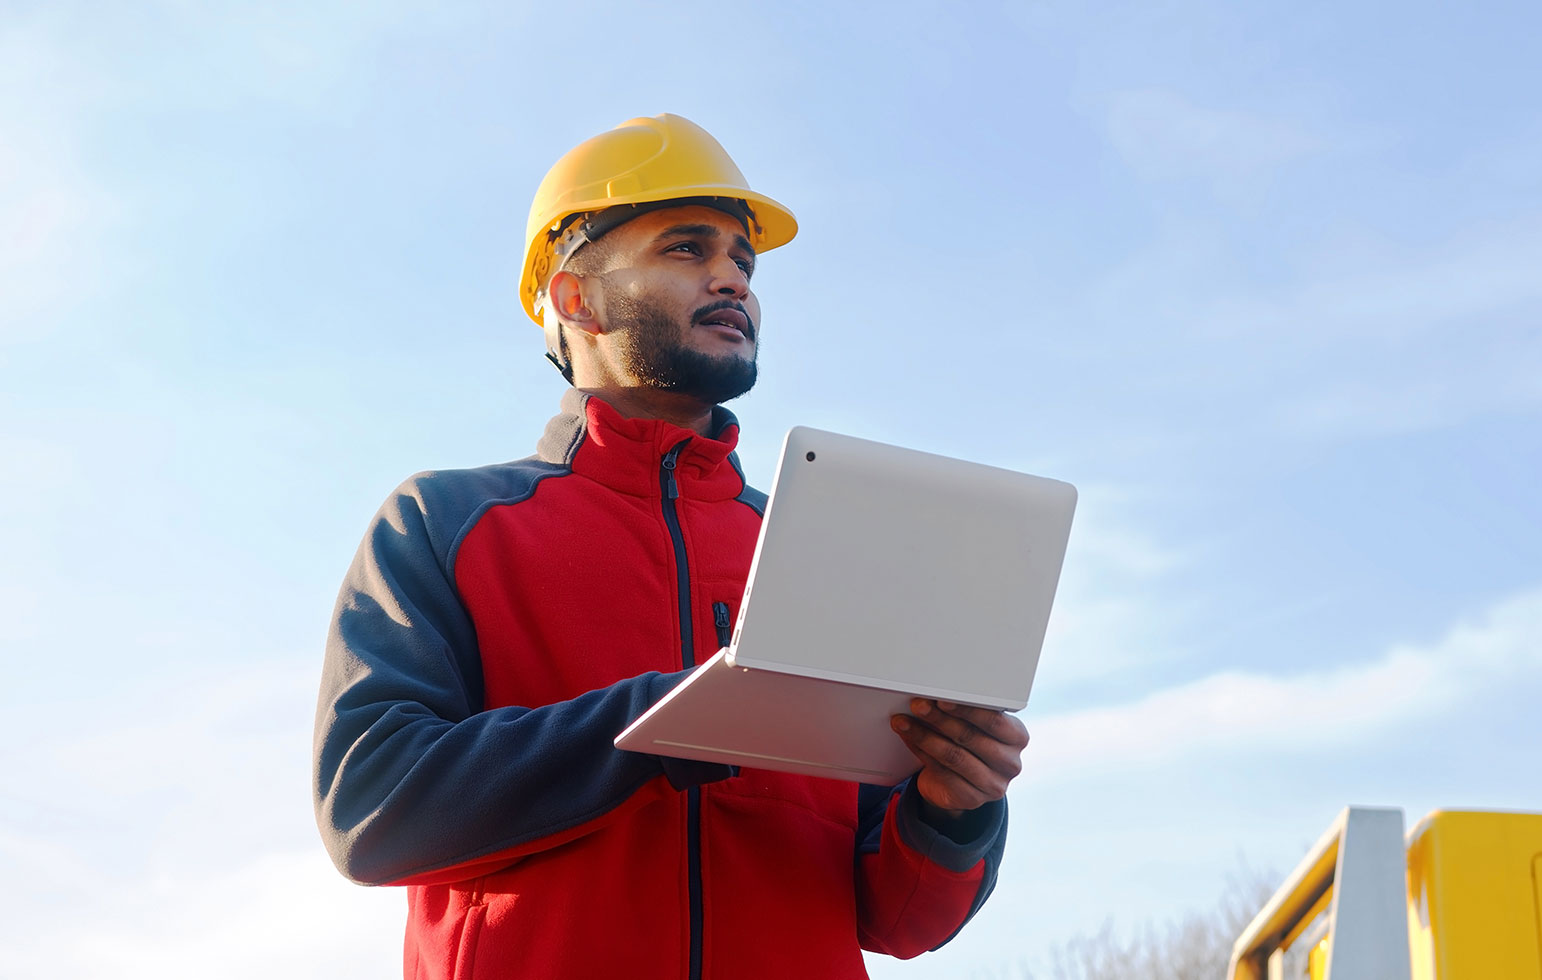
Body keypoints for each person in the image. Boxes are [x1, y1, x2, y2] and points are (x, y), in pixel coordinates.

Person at [313, 114, 1028, 980]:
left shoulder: (815, 549)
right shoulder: (444, 520)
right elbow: (373, 805)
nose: (731, 277)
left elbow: (900, 920)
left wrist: (951, 810)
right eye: (686, 249)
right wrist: (663, 727)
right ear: (575, 299)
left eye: (743, 260)